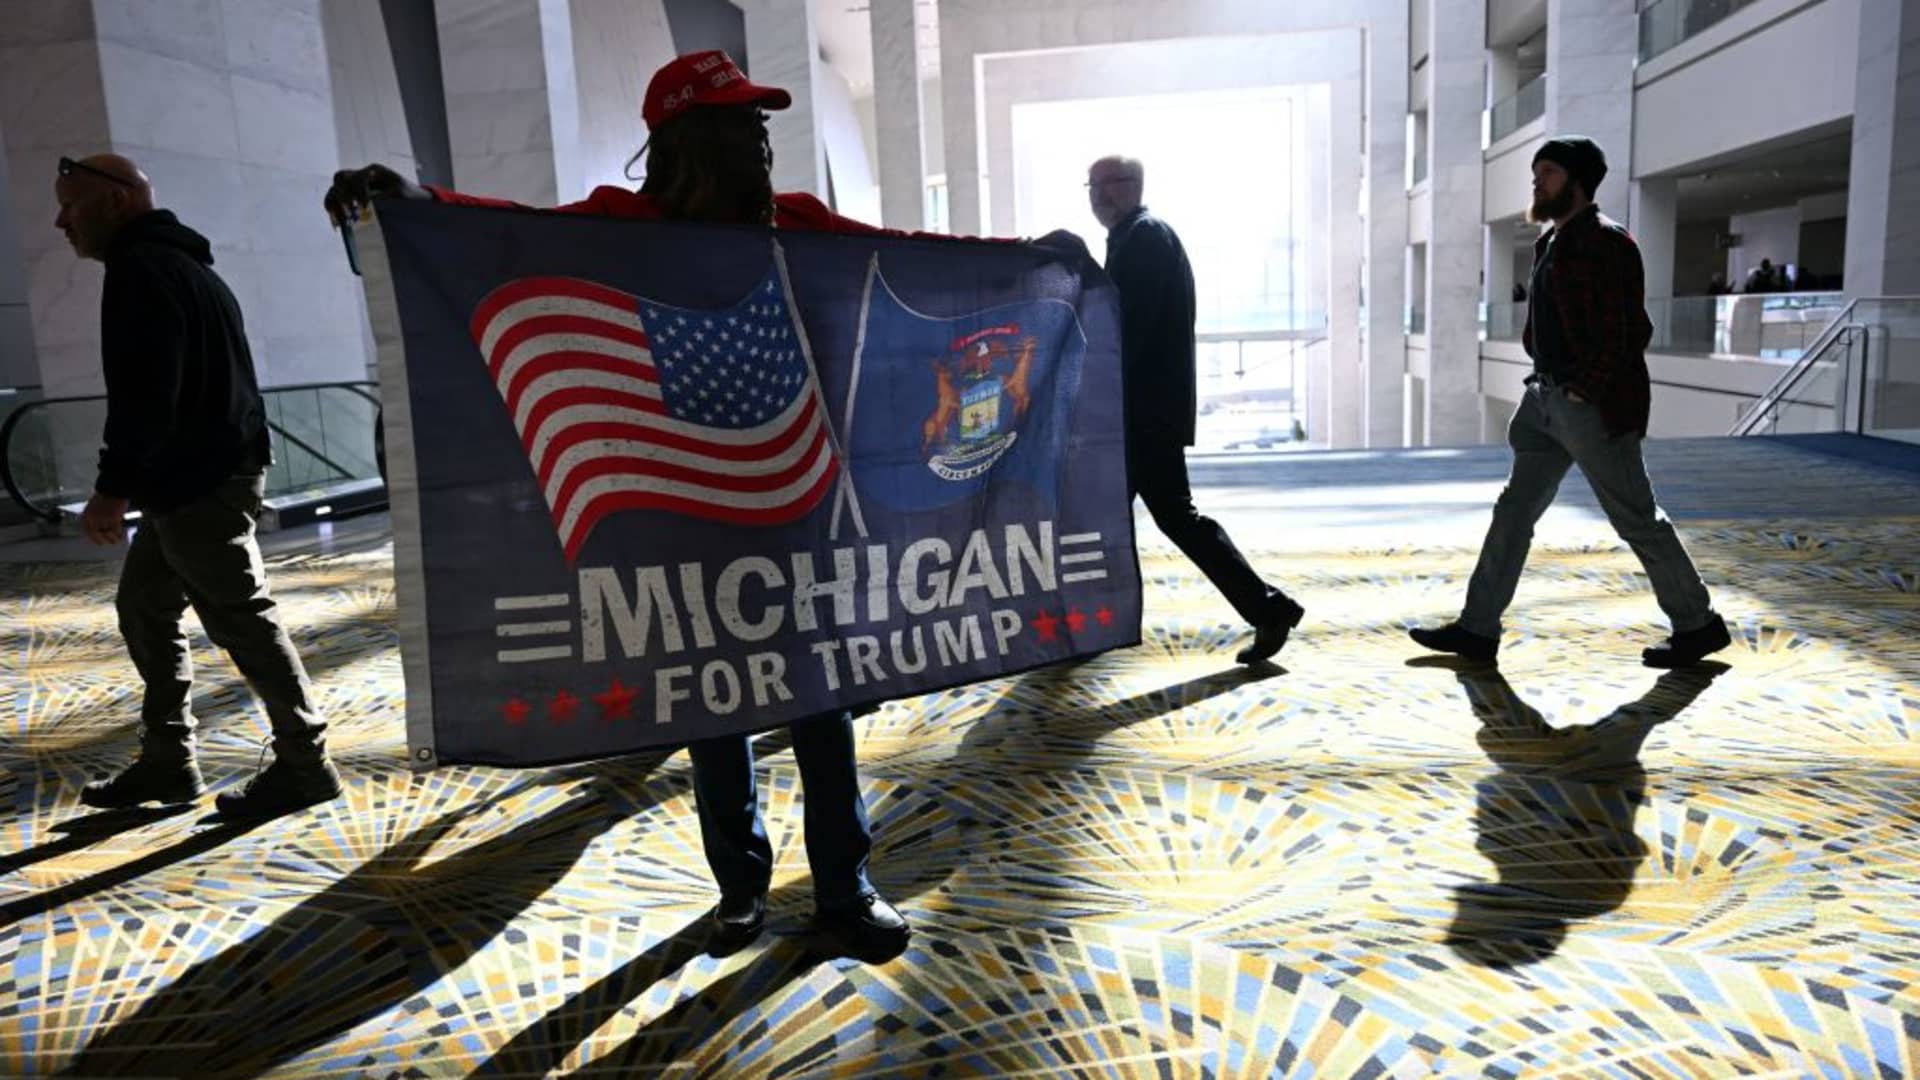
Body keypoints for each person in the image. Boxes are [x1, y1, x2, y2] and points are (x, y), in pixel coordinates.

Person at [326, 51, 921, 962]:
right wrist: (416, 202)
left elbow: (913, 269)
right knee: (713, 711)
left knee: (821, 706)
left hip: (797, 515)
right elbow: (514, 237)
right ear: (680, 144)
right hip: (679, 520)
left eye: (758, 127)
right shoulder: (617, 223)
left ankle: (846, 886)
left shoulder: (797, 224)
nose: (756, 146)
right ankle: (740, 890)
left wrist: (1040, 264)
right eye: (734, 127)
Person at [56, 154, 343, 818]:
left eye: (71, 203)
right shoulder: (185, 265)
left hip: (199, 480)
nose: (59, 219)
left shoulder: (141, 269)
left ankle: (306, 763)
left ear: (119, 201)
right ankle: (169, 759)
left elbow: (146, 393)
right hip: (193, 477)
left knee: (240, 617)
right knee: (145, 608)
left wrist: (111, 488)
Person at [1408, 136, 1730, 669]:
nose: (1537, 182)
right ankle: (1477, 627)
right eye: (1537, 172)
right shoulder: (1551, 242)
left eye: (1549, 173)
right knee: (1514, 510)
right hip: (1545, 401)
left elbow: (1629, 331)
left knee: (1636, 518)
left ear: (1578, 181)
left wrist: (1586, 388)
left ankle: (1698, 625)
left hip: (1589, 407)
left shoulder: (1607, 243)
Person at [1084, 155, 1304, 663]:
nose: (1098, 196)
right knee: (1131, 519)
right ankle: (1265, 608)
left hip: (1141, 414)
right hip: (1144, 411)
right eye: (1091, 187)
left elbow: (1127, 332)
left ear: (1133, 186)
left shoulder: (1143, 239)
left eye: (1107, 186)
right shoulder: (1139, 236)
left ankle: (1265, 608)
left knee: (1151, 518)